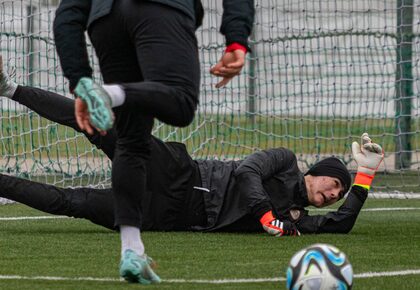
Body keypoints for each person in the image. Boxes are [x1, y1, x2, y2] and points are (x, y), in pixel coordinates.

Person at [0, 62, 384, 239]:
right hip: (177, 171)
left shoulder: (295, 220)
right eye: (334, 183)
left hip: (168, 215)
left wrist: (363, 175)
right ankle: (9, 88)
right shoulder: (284, 161)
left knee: (73, 203)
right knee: (95, 124)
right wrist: (266, 214)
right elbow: (248, 171)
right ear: (315, 171)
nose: (332, 195)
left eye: (336, 194)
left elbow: (342, 224)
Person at [52, 0, 254, 284]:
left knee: (132, 140)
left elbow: (68, 13)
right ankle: (111, 94)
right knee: (181, 102)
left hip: (105, 22)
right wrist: (236, 41)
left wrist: (80, 79)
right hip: (160, 11)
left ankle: (132, 251)